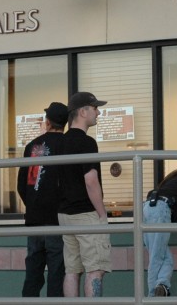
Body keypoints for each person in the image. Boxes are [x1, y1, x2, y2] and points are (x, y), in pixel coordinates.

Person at [57, 92, 110, 298]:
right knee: (95, 270)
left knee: (72, 270)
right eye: (95, 108)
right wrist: (102, 213)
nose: (98, 112)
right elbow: (90, 180)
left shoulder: (59, 143)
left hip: (65, 214)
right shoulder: (87, 143)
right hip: (87, 213)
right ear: (82, 111)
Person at [17, 102, 68, 297]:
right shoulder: (66, 145)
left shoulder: (33, 146)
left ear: (47, 122)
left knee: (33, 273)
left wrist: (33, 204)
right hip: (58, 219)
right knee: (57, 272)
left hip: (34, 219)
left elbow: (22, 185)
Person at [143, 169, 177, 298]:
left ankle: (161, 286)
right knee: (157, 258)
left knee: (164, 257)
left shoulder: (171, 181)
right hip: (161, 210)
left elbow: (151, 194)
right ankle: (152, 297)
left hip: (147, 208)